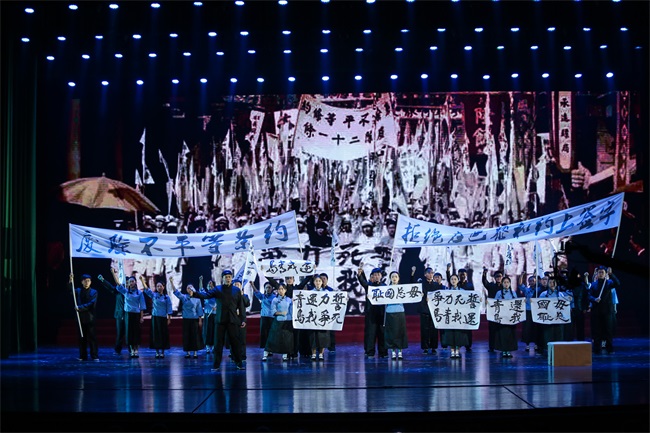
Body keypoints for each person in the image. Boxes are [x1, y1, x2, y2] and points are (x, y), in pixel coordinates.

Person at [190, 269, 247, 371]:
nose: (228, 279)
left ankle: (239, 363)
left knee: (235, 343)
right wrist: (194, 294)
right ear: (222, 278)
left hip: (233, 320)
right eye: (226, 277)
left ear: (231, 278)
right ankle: (216, 365)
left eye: (229, 277)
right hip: (220, 320)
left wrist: (243, 319)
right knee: (218, 344)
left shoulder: (236, 290)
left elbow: (241, 306)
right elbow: (206, 295)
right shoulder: (218, 289)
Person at [268, 274, 311, 358]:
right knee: (286, 335)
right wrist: (265, 272)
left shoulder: (297, 288)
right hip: (285, 316)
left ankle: (295, 352)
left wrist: (311, 271)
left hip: (296, 315)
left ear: (293, 279)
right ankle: (287, 352)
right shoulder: (282, 288)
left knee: (296, 335)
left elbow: (306, 280)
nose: (289, 280)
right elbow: (272, 281)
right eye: (287, 278)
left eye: (290, 278)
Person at [112, 269, 146, 358]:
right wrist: (113, 273)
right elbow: (118, 284)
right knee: (129, 332)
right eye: (130, 282)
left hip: (136, 314)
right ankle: (131, 350)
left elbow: (142, 306)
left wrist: (141, 317)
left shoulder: (139, 293)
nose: (131, 283)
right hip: (128, 315)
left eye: (132, 281)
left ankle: (136, 350)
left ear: (135, 282)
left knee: (136, 332)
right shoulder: (126, 291)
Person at [357, 266, 388, 358]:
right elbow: (363, 282)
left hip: (382, 313)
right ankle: (370, 352)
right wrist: (360, 275)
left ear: (381, 276)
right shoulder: (369, 286)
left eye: (378, 274)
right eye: (375, 275)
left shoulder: (385, 286)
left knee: (382, 333)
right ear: (372, 276)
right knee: (370, 333)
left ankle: (383, 352)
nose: (377, 276)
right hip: (371, 314)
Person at [589, 266, 620, 354]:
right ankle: (596, 349)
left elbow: (618, 283)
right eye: (599, 272)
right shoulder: (593, 284)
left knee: (608, 330)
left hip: (607, 311)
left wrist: (611, 274)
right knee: (597, 330)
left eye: (602, 272)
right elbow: (589, 295)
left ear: (605, 274)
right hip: (596, 311)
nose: (601, 274)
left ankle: (609, 348)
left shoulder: (609, 283)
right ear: (597, 273)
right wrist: (594, 299)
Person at [171, 279, 204, 359]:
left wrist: (200, 320)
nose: (189, 289)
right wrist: (171, 282)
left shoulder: (197, 299)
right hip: (186, 319)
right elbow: (176, 292)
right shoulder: (184, 297)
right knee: (187, 335)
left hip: (194, 319)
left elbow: (199, 310)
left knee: (195, 336)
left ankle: (195, 352)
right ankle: (188, 352)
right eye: (188, 288)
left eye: (190, 287)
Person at [140, 276, 172, 358]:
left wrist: (169, 318)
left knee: (163, 334)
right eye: (157, 286)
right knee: (156, 335)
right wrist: (142, 280)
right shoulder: (154, 295)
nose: (159, 287)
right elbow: (147, 290)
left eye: (160, 286)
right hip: (155, 318)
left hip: (163, 318)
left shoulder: (166, 297)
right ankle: (157, 352)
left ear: (163, 287)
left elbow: (169, 308)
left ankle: (162, 352)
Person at [411, 266, 441, 355]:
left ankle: (434, 347)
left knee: (434, 330)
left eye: (432, 273)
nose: (430, 275)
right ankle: (425, 347)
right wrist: (412, 273)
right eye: (429, 273)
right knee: (424, 330)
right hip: (424, 309)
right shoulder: (421, 284)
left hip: (434, 310)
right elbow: (412, 285)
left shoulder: (436, 285)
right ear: (425, 274)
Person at [70, 273, 99, 361]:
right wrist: (70, 281)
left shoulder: (94, 292)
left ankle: (94, 355)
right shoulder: (78, 291)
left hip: (90, 318)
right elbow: (70, 291)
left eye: (88, 281)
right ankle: (83, 355)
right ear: (82, 282)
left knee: (92, 338)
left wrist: (80, 307)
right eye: (85, 281)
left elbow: (92, 304)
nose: (87, 282)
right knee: (82, 338)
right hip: (80, 318)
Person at [96, 273, 126, 356]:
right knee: (120, 333)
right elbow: (110, 287)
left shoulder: (130, 292)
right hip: (120, 314)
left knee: (129, 333)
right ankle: (117, 350)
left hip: (129, 315)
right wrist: (103, 280)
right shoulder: (118, 291)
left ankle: (132, 350)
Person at [441, 274, 469, 359]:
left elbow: (467, 301)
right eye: (452, 279)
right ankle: (452, 351)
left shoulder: (462, 291)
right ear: (450, 281)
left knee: (458, 334)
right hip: (450, 315)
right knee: (450, 334)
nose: (453, 281)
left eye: (455, 279)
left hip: (459, 315)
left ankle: (458, 350)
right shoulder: (446, 291)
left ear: (458, 280)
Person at [538, 277, 569, 354]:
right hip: (548, 319)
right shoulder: (544, 294)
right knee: (548, 335)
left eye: (554, 282)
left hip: (558, 319)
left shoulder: (560, 294)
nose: (552, 284)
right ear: (548, 284)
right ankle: (548, 350)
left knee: (559, 335)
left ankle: (558, 350)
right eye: (550, 282)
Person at [265, 283, 294, 362]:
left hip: (287, 321)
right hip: (278, 321)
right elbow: (273, 311)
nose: (281, 291)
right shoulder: (275, 300)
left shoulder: (289, 300)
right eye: (279, 289)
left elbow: (291, 311)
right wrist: (281, 313)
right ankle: (266, 353)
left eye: (282, 289)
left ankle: (285, 355)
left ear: (285, 290)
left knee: (286, 339)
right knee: (273, 338)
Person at [448, 265, 475, 352]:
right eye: (460, 274)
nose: (462, 276)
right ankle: (457, 346)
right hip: (455, 310)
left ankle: (468, 345)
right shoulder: (456, 284)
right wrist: (448, 271)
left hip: (465, 309)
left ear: (466, 275)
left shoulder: (470, 285)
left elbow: (472, 296)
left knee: (467, 328)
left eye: (463, 274)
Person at [385, 271, 408, 360]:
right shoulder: (386, 289)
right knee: (391, 334)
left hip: (400, 311)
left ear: (398, 278)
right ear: (390, 278)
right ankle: (393, 351)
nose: (394, 278)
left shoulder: (402, 289)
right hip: (390, 312)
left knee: (400, 332)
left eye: (396, 277)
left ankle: (400, 351)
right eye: (392, 277)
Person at [493, 276, 518, 358]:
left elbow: (517, 303)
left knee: (510, 334)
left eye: (507, 282)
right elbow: (495, 303)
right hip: (502, 317)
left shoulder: (513, 293)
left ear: (510, 284)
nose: (506, 284)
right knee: (502, 334)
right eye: (504, 282)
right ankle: (504, 351)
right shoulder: (498, 293)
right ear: (502, 284)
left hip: (511, 318)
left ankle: (509, 351)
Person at [307, 274, 330, 361]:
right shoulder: (309, 293)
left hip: (323, 317)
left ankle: (321, 353)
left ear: (322, 282)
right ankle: (313, 353)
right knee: (313, 336)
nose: (318, 282)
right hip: (313, 317)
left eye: (319, 281)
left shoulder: (327, 292)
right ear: (314, 282)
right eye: (316, 281)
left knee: (322, 336)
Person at [253, 281, 276, 361]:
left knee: (271, 334)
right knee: (264, 333)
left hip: (272, 317)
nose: (268, 289)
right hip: (264, 317)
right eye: (266, 287)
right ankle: (266, 349)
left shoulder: (274, 297)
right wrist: (252, 285)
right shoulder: (262, 296)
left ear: (272, 289)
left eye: (269, 287)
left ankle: (271, 349)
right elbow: (256, 292)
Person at [482, 268, 503, 353]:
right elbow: (485, 282)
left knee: (501, 330)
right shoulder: (491, 286)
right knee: (492, 329)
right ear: (494, 278)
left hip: (502, 311)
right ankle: (492, 347)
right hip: (492, 310)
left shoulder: (504, 286)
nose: (498, 278)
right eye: (497, 276)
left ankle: (501, 346)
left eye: (500, 276)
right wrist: (484, 274)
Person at [517, 273, 540, 352]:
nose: (532, 282)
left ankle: (536, 344)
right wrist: (521, 275)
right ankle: (527, 345)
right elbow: (520, 284)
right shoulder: (527, 290)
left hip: (536, 311)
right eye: (530, 281)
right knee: (527, 328)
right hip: (528, 310)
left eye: (533, 281)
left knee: (536, 328)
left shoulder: (539, 290)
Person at [200, 277, 220, 355]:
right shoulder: (206, 294)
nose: (210, 285)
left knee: (214, 331)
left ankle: (214, 346)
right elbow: (201, 289)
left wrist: (217, 307)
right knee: (207, 331)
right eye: (208, 284)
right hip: (207, 314)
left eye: (211, 284)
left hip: (215, 315)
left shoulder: (217, 295)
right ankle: (207, 346)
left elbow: (221, 303)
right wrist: (201, 280)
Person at [320, 273, 337, 353]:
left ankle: (331, 347)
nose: (323, 280)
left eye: (324, 279)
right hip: (319, 313)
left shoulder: (331, 290)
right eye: (321, 279)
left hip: (328, 313)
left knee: (330, 331)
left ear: (327, 280)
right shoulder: (315, 290)